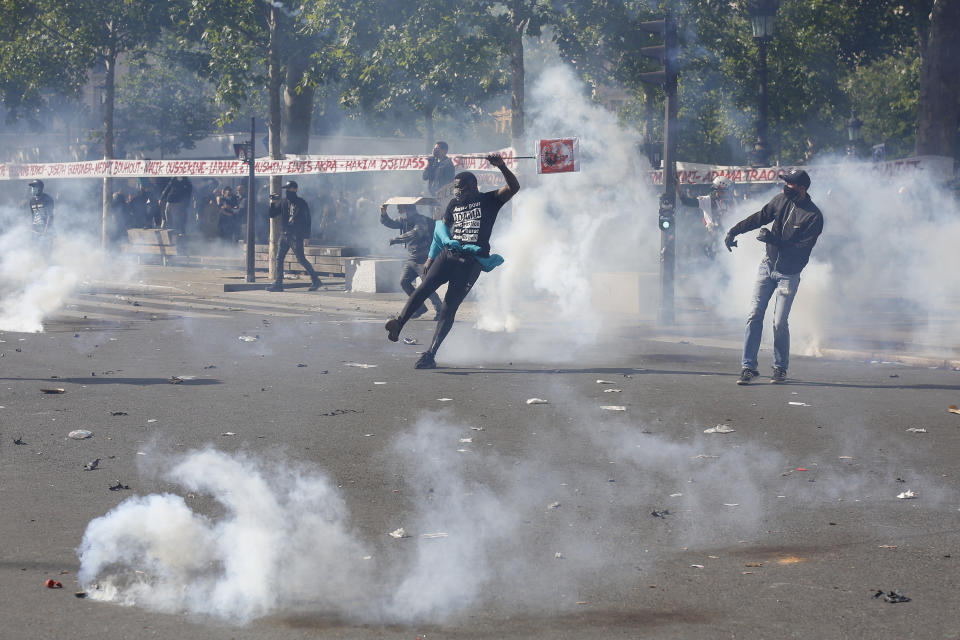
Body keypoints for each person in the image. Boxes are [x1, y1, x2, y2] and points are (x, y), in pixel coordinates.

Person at [384, 153, 519, 369]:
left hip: (471, 263)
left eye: (461, 187)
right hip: (447, 255)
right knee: (423, 288)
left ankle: (430, 354)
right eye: (456, 187)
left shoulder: (489, 200)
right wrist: (430, 257)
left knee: (449, 308)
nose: (457, 191)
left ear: (473, 186)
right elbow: (442, 231)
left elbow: (513, 187)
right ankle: (398, 324)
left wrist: (501, 166)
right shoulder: (454, 204)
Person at [724, 169, 824, 385]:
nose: (784, 187)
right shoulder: (780, 200)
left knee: (779, 322)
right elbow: (759, 217)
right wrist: (734, 231)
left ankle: (780, 368)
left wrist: (776, 240)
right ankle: (748, 367)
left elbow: (802, 249)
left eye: (789, 185)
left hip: (789, 274)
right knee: (754, 314)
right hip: (767, 266)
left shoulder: (814, 216)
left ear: (802, 189)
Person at [380, 202, 444, 320]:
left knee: (427, 286)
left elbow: (415, 233)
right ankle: (419, 308)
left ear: (407, 207)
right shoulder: (403, 220)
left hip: (424, 259)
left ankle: (440, 310)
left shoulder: (421, 220)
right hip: (412, 259)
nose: (398, 208)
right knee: (404, 282)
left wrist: (396, 239)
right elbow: (389, 223)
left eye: (400, 206)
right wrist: (383, 213)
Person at [266, 180, 321, 292]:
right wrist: (273, 202)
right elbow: (272, 214)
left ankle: (316, 280)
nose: (287, 191)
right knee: (279, 258)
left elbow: (307, 220)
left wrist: (307, 236)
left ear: (295, 189)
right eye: (286, 189)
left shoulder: (301, 202)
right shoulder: (283, 202)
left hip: (296, 235)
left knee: (301, 259)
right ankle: (278, 283)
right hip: (285, 233)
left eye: (289, 188)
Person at [27, 180, 54, 249]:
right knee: (33, 250)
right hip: (35, 229)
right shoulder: (31, 200)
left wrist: (46, 231)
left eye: (35, 187)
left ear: (40, 188)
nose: (33, 189)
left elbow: (50, 216)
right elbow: (32, 216)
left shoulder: (47, 199)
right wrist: (31, 228)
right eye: (32, 187)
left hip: (45, 229)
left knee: (45, 250)